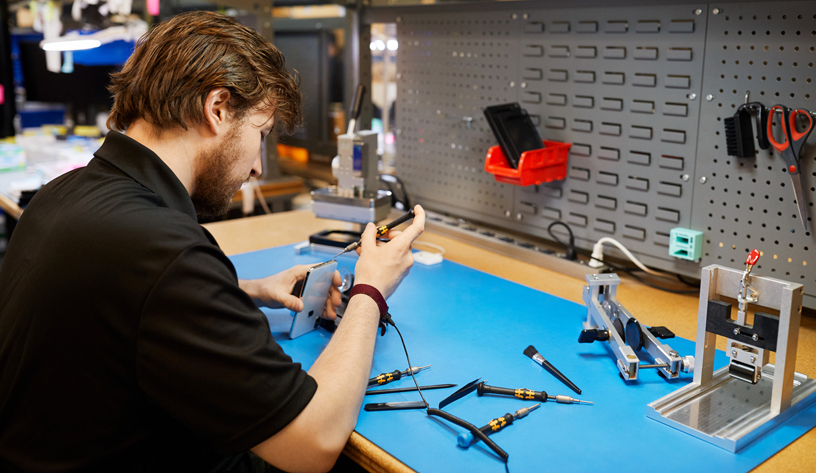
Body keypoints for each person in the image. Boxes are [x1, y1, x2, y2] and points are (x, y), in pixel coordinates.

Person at [0, 11, 425, 473]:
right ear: (217, 108)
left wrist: (244, 292)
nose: (258, 168)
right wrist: (370, 291)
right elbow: (312, 444)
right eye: (260, 135)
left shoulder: (66, 193)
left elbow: (113, 302)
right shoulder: (164, 251)